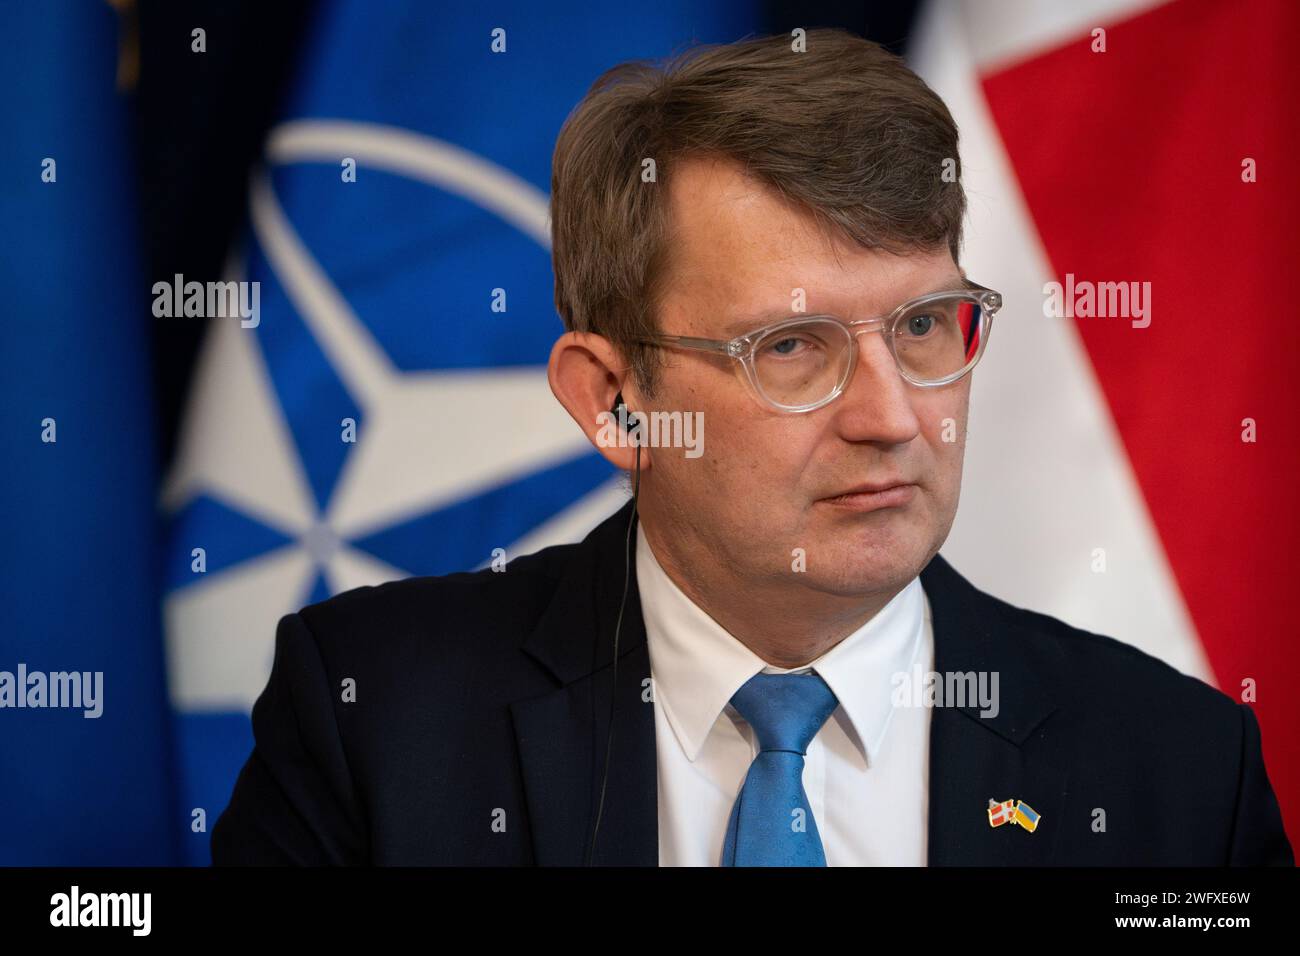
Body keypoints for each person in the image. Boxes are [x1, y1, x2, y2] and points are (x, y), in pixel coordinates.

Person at [211, 28, 1292, 866]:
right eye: (790, 346)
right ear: (614, 400)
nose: (891, 415)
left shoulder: (1175, 769)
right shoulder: (376, 720)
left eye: (922, 327)